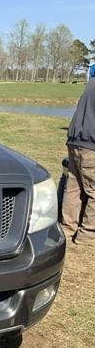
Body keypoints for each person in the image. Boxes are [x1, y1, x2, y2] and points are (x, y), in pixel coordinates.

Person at [62, 80, 95, 245]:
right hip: (91, 145)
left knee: (73, 188)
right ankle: (87, 234)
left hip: (75, 141)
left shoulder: (91, 83)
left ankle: (67, 228)